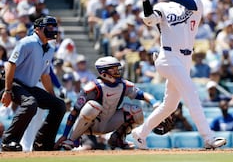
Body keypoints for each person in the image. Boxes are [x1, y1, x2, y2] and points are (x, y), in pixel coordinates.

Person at [132, 0, 227, 149]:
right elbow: (149, 20)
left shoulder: (196, 3)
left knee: (170, 105)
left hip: (185, 59)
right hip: (168, 57)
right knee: (191, 93)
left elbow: (185, 2)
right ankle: (208, 138)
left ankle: (140, 134)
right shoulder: (163, 7)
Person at [54, 56, 160, 150]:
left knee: (136, 111)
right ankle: (73, 139)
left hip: (109, 123)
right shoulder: (92, 87)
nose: (117, 71)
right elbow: (75, 112)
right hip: (89, 127)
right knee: (93, 106)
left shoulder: (123, 85)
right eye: (113, 69)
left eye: (116, 68)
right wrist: (65, 135)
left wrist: (155, 103)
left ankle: (117, 139)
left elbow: (141, 94)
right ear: (104, 73)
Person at [0, 16, 66, 151]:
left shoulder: (50, 48)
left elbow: (45, 74)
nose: (52, 30)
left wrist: (52, 97)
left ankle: (43, 144)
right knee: (30, 104)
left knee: (59, 105)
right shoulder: (27, 43)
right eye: (48, 27)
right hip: (12, 82)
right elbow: (10, 65)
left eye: (54, 27)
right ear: (37, 29)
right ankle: (8, 141)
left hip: (28, 86)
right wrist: (7, 91)